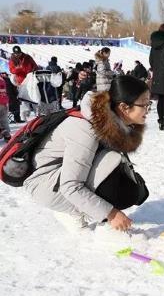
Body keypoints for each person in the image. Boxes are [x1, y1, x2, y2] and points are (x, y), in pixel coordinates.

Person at [23, 76, 150, 233]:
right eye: (144, 104)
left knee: (125, 187)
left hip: (60, 180)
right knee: (113, 164)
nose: (147, 109)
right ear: (124, 107)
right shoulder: (85, 130)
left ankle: (86, 208)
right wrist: (111, 214)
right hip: (48, 186)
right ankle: (70, 212)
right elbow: (70, 186)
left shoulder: (108, 122)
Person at [0, 75, 12, 141]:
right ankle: (7, 136)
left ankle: (2, 130)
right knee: (4, 119)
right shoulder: (2, 79)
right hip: (4, 101)